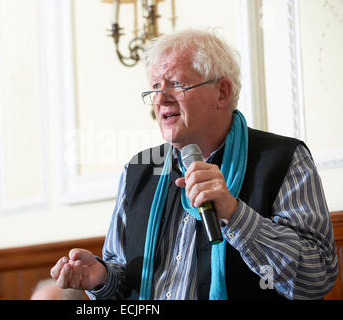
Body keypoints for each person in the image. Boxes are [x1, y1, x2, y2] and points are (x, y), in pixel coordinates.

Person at [50, 29, 338, 300]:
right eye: (154, 87)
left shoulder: (282, 159)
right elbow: (123, 280)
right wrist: (101, 278)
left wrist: (235, 215)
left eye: (176, 84)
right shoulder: (138, 170)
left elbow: (316, 277)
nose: (160, 98)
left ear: (222, 93)